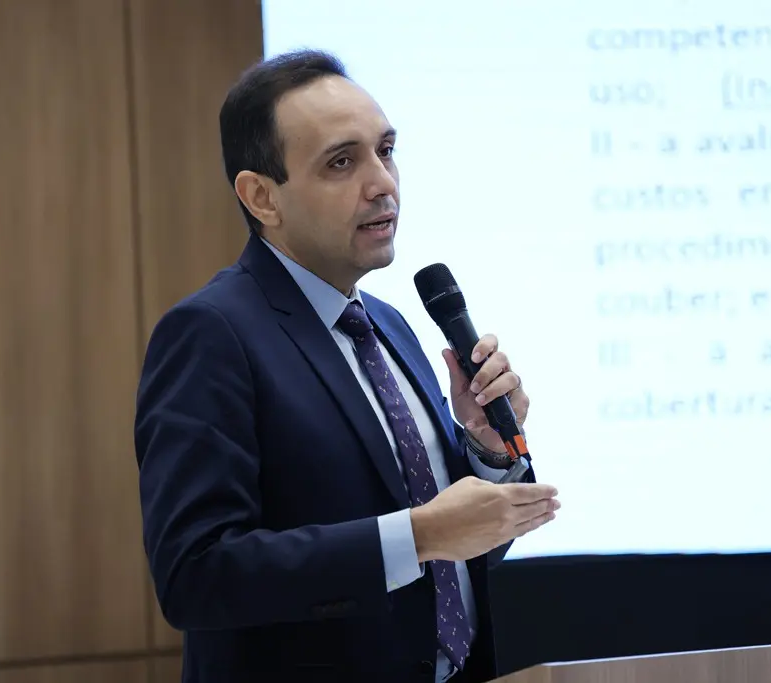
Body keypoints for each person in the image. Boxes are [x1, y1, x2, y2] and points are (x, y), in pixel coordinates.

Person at [134, 49, 560, 683]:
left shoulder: (388, 324)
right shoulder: (211, 334)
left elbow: (457, 552)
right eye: (341, 162)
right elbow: (196, 574)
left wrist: (486, 454)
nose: (382, 181)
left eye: (386, 151)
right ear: (261, 197)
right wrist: (415, 535)